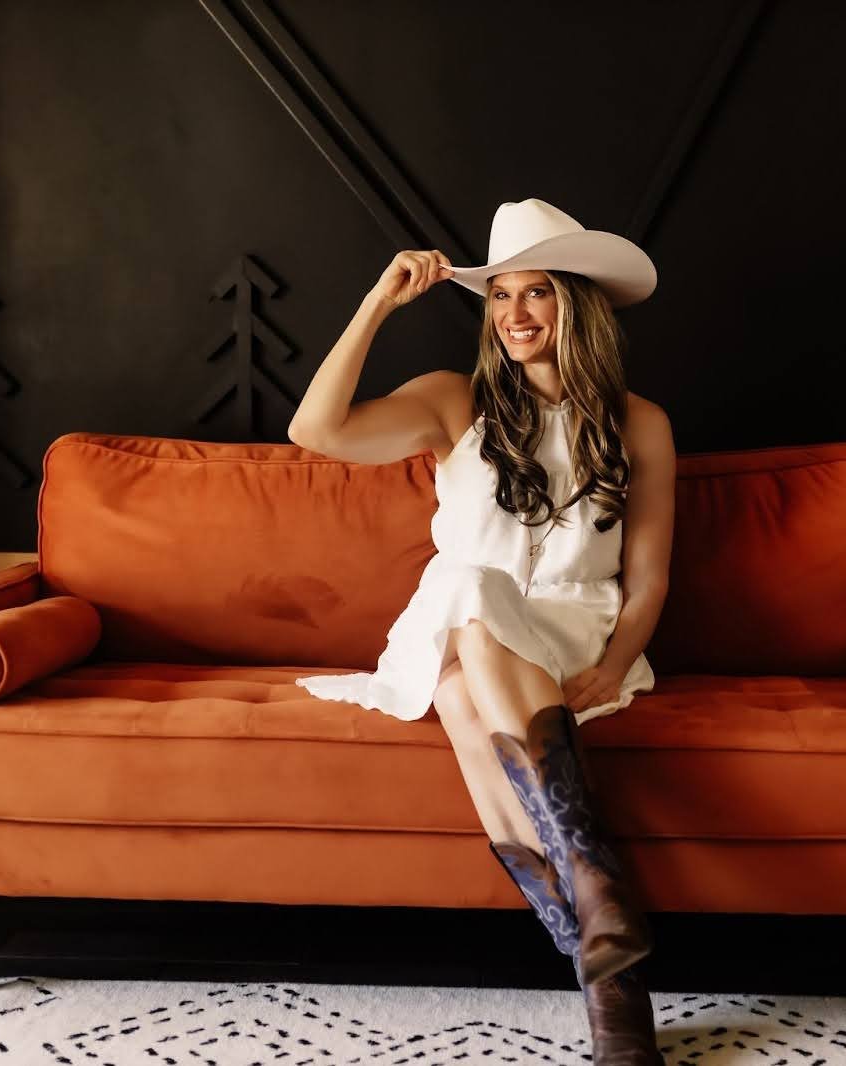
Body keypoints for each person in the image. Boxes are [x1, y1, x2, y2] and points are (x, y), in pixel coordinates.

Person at [287, 198, 675, 1065]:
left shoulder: (641, 423)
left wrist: (616, 663)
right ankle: (604, 923)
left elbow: (648, 576)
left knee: (465, 692)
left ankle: (598, 954)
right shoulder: (451, 401)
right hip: (457, 618)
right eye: (499, 296)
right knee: (468, 595)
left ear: (576, 303)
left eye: (536, 292)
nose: (514, 314)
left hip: (573, 631)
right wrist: (378, 304)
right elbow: (315, 431)